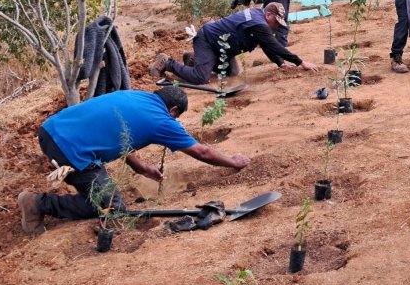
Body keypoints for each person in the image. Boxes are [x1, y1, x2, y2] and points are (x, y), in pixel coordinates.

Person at [17, 87, 250, 235]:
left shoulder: (137, 96)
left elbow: (120, 132)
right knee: (112, 207)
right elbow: (202, 153)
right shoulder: (162, 120)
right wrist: (234, 162)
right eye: (177, 117)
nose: (176, 122)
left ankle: (43, 201)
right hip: (69, 147)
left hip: (52, 129)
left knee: (102, 191)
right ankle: (38, 204)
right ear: (173, 110)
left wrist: (139, 166)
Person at [150, 3, 317, 85]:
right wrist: (300, 62)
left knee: (232, 71)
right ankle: (168, 63)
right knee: (200, 78)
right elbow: (273, 45)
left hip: (222, 47)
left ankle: (193, 59)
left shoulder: (257, 15)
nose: (276, 26)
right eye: (276, 22)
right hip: (208, 40)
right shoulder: (259, 23)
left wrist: (280, 62)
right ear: (269, 15)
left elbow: (266, 45)